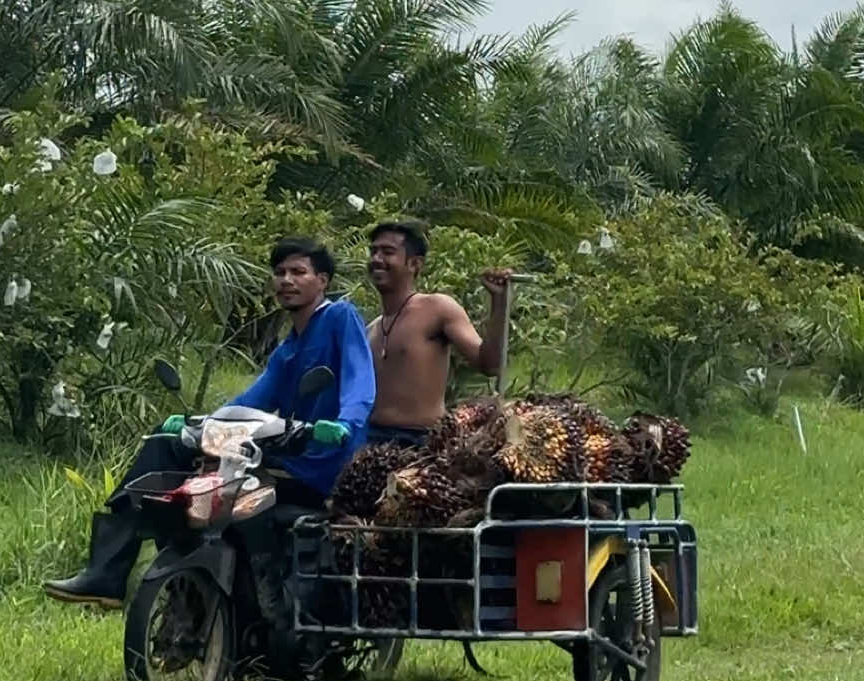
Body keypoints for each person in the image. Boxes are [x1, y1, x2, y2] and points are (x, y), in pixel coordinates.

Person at [43, 237, 375, 607]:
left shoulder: (339, 318)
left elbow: (361, 381)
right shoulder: (287, 349)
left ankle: (264, 594)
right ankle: (111, 572)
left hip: (326, 463)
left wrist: (346, 423)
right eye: (279, 272)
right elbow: (252, 401)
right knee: (165, 446)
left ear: (323, 281)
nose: (286, 280)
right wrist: (197, 423)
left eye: (298, 272)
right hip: (288, 459)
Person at [365, 220, 514, 448]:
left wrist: (499, 302)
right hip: (372, 442)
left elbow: (490, 364)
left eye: (388, 252)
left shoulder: (437, 308)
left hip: (421, 442)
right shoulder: (372, 329)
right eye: (373, 251)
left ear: (415, 264)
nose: (377, 259)